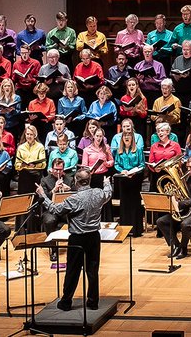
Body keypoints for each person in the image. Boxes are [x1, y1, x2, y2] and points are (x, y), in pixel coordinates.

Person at [37, 168, 113, 311]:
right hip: (94, 237)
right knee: (92, 270)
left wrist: (43, 196)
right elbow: (108, 193)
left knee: (73, 271)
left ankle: (66, 302)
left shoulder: (74, 199)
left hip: (78, 239)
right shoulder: (98, 193)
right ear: (89, 180)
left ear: (76, 181)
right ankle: (93, 302)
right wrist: (107, 183)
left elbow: (56, 210)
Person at [155, 155, 191, 260]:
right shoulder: (186, 176)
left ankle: (183, 249)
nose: (188, 169)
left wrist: (179, 204)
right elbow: (181, 193)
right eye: (187, 167)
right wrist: (173, 196)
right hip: (185, 210)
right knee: (160, 221)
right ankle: (176, 245)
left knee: (185, 224)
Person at [112, 118, 146, 236]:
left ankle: (136, 229)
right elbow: (116, 164)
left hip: (135, 179)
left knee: (135, 203)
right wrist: (122, 170)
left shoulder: (138, 150)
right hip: (124, 179)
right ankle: (125, 230)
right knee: (125, 204)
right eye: (125, 137)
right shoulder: (119, 151)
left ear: (132, 138)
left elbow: (142, 164)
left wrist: (134, 172)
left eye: (129, 136)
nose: (127, 138)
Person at [40, 158, 76, 251]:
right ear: (52, 169)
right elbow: (43, 198)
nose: (58, 172)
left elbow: (77, 195)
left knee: (77, 218)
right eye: (56, 169)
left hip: (66, 210)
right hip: (50, 210)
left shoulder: (70, 179)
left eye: (60, 169)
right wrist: (54, 190)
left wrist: (69, 190)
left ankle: (74, 247)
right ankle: (53, 250)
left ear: (63, 169)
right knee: (49, 221)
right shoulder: (44, 180)